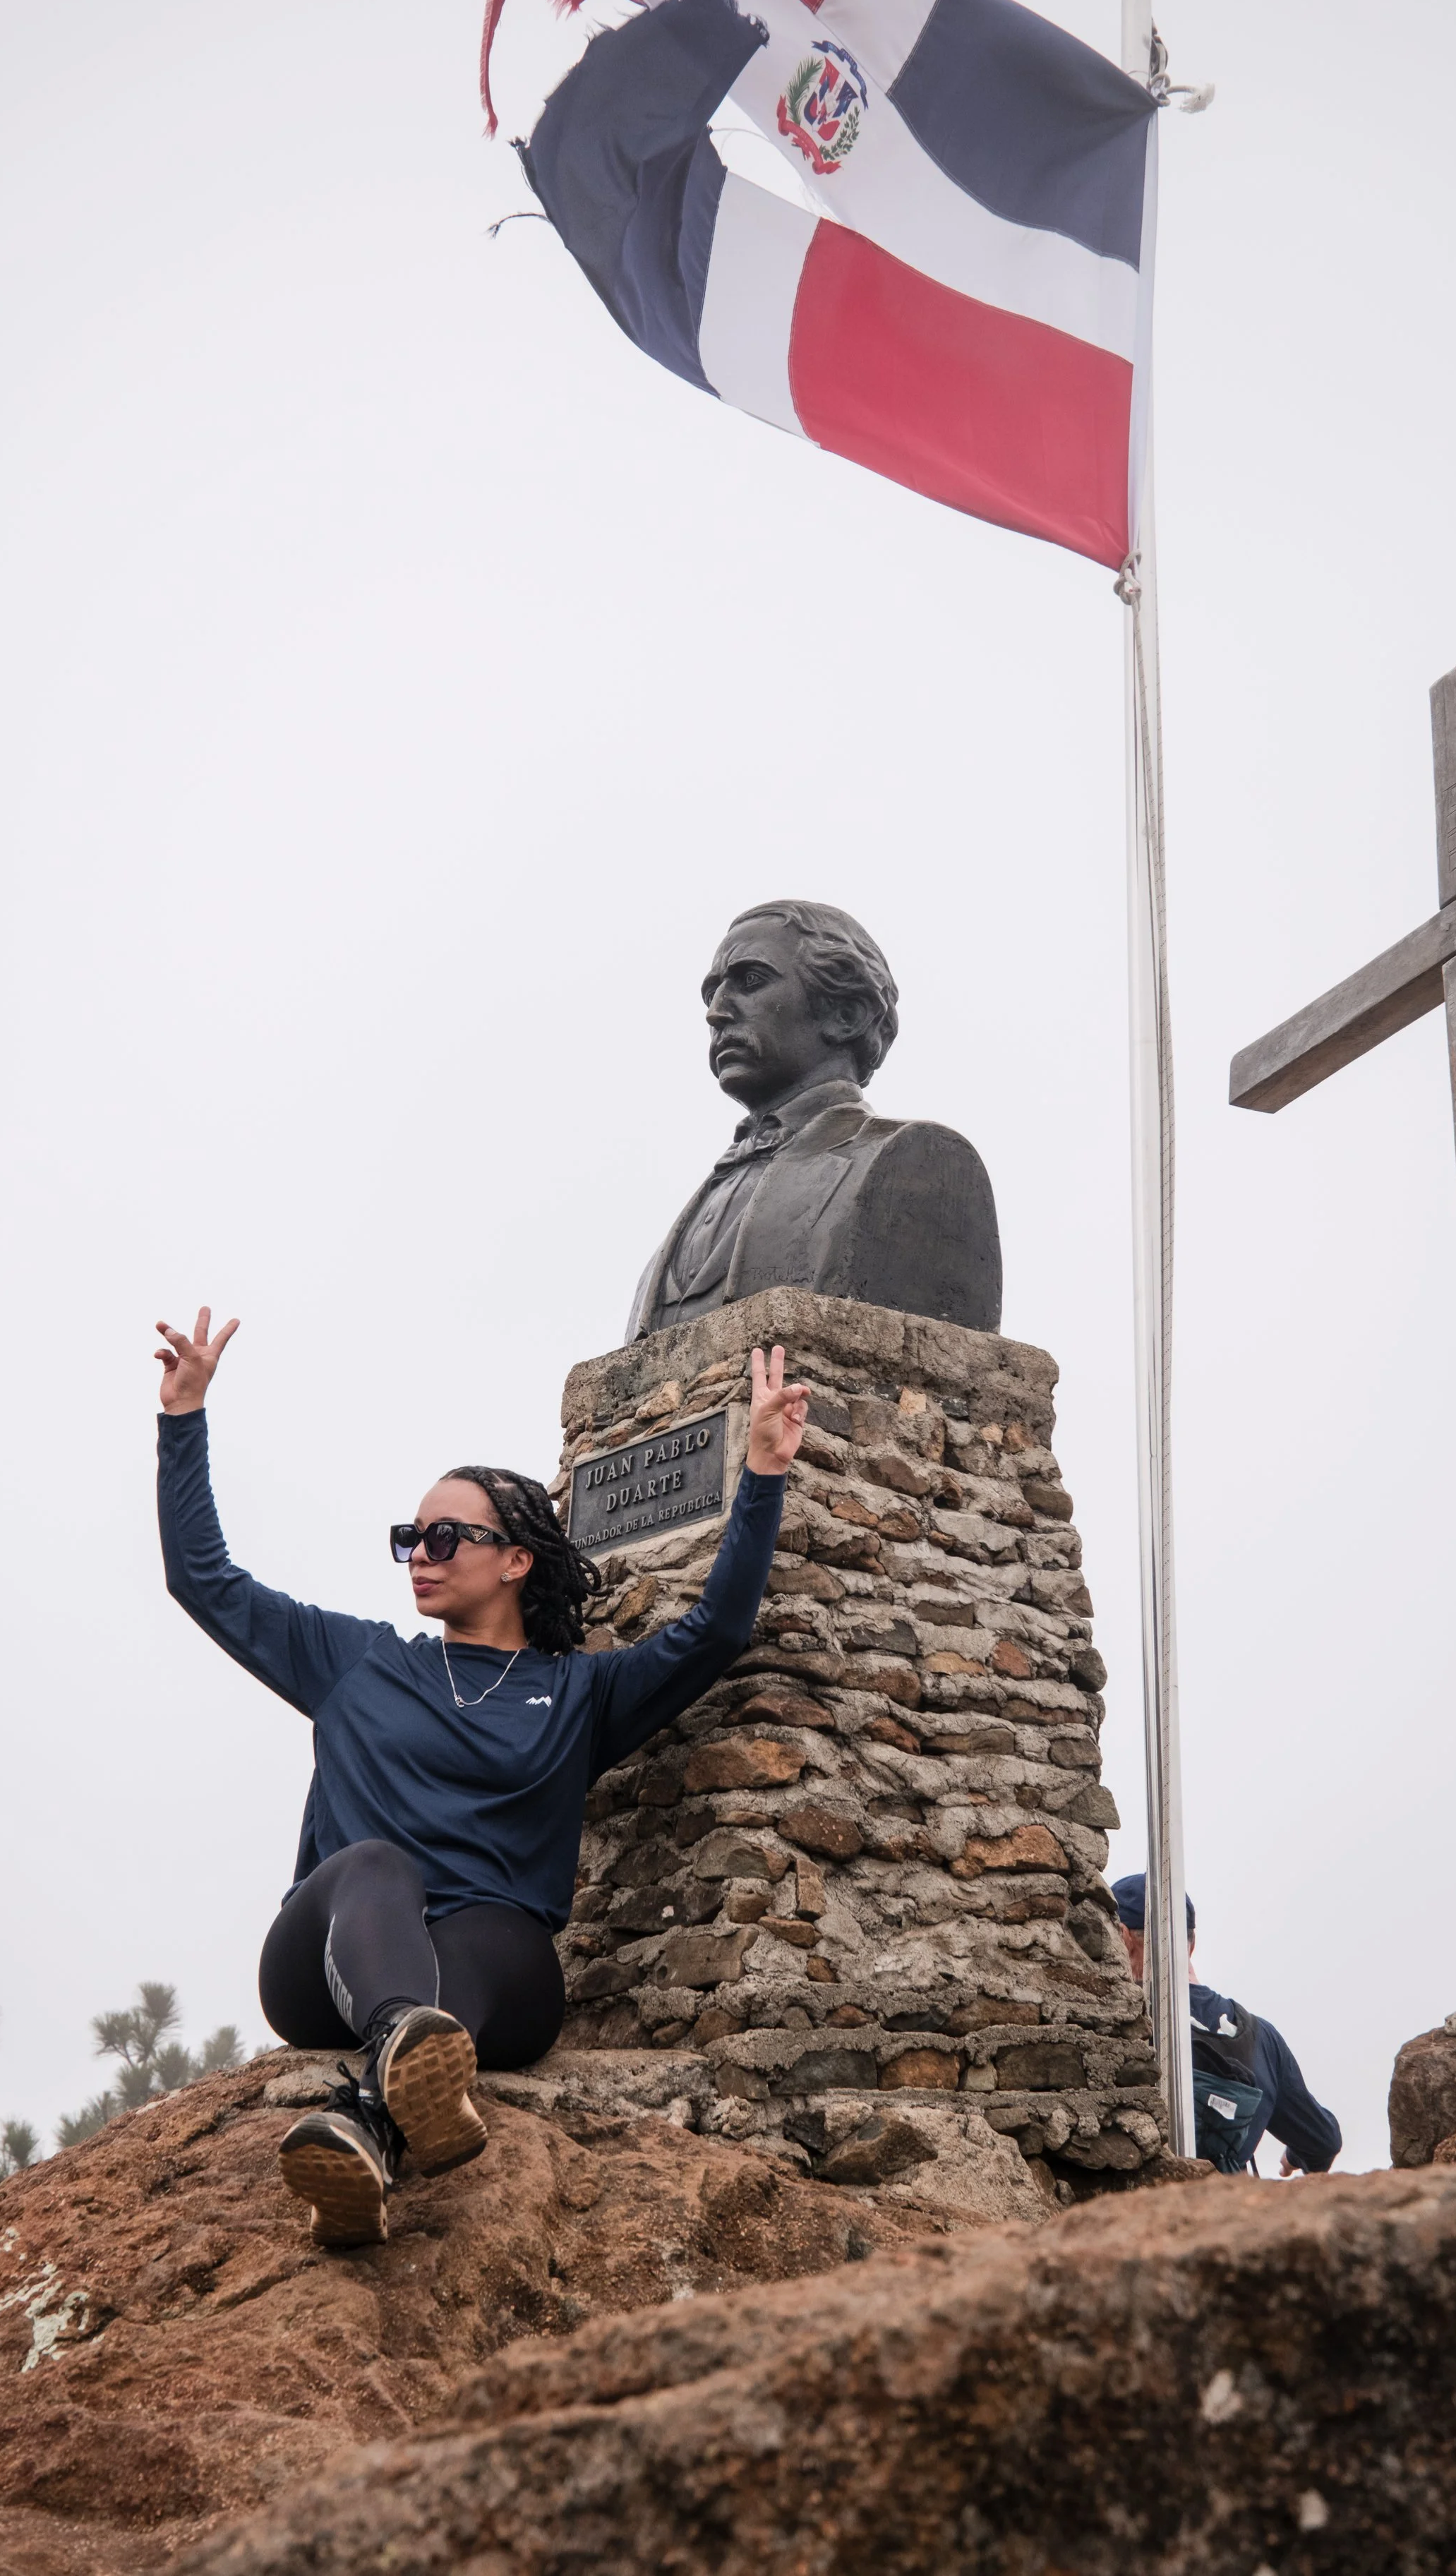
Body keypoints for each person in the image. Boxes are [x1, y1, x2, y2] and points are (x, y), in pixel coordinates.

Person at [153, 1306, 807, 2249]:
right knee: (376, 1865)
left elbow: (713, 1632)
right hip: (327, 1962)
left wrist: (763, 1473)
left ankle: (368, 2127)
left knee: (507, 1934)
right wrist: (184, 1419)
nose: (420, 1554)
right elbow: (204, 1579)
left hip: (488, 1983)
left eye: (445, 1537)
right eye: (409, 1538)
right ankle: (396, 2051)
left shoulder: (580, 1692)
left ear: (516, 1559)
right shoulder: (357, 1661)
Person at [625, 900, 1001, 1340]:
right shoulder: (685, 1224)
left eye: (750, 981)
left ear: (847, 1015)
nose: (716, 1011)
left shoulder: (920, 1164)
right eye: (712, 993)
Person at [1109, 1873, 1342, 2177]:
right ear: (1191, 1944)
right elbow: (1323, 2141)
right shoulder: (1261, 2038)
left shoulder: (1113, 2025)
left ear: (1124, 1938)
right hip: (1225, 2213)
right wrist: (1295, 2156)